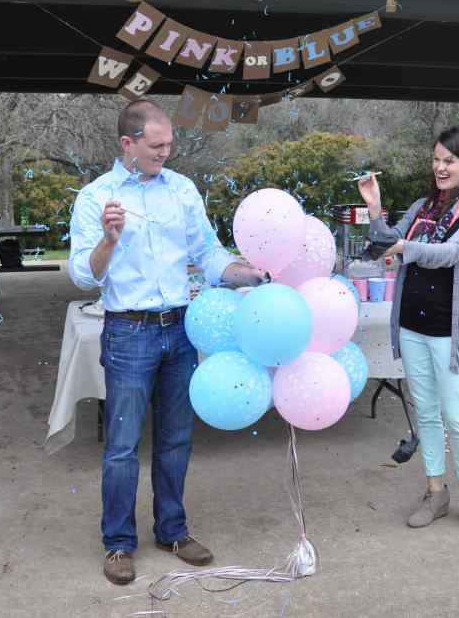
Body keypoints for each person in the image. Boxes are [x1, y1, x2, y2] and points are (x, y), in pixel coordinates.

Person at [68, 98, 267, 586]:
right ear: (127, 143)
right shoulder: (96, 197)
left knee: (177, 438)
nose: (165, 153)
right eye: (156, 145)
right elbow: (82, 276)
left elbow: (208, 253)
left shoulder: (182, 190)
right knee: (122, 445)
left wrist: (248, 274)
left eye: (169, 145)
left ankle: (172, 531)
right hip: (128, 332)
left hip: (180, 328)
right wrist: (109, 240)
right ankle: (118, 543)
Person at [358, 126, 459, 535]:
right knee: (427, 414)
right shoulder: (422, 206)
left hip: (450, 330)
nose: (440, 167)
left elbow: (450, 253)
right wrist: (375, 208)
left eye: (449, 160)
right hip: (412, 325)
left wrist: (403, 249)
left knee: (456, 415)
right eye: (436, 159)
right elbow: (385, 241)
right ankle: (436, 493)